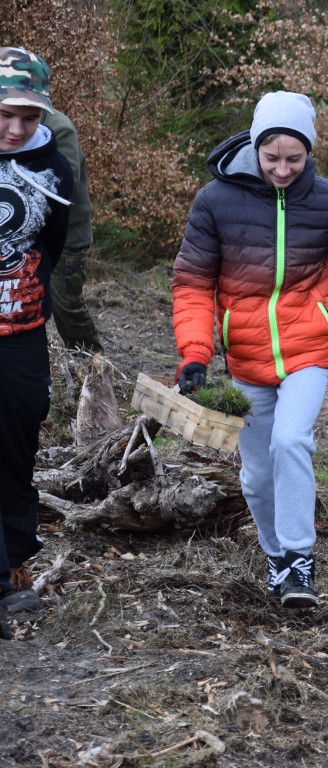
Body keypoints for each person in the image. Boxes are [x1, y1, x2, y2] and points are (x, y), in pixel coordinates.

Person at [172, 91, 328, 608]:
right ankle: (277, 559)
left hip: (309, 350)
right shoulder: (216, 200)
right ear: (254, 147)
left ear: (310, 153)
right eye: (272, 157)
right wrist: (195, 351)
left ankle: (302, 561)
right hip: (246, 355)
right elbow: (193, 282)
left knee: (291, 442)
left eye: (294, 159)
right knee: (256, 476)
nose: (282, 169)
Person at [0, 47, 73, 616]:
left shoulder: (54, 166)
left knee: (21, 434)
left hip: (22, 327)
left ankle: (18, 552)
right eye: (5, 113)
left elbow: (55, 241)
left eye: (29, 117)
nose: (16, 127)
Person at [42, 108, 103, 353]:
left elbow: (63, 185)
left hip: (67, 235)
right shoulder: (13, 121)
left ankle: (92, 362)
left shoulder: (59, 127)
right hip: (32, 233)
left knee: (65, 304)